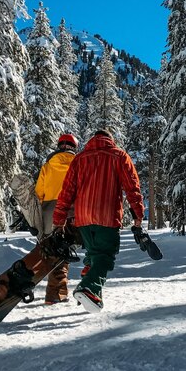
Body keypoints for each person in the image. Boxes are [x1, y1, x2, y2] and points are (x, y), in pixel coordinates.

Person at [53, 130, 144, 313]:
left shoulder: (80, 159)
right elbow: (132, 187)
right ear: (110, 140)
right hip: (107, 215)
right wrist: (138, 215)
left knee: (95, 254)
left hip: (83, 218)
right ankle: (88, 288)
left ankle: (92, 288)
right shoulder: (119, 156)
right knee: (105, 256)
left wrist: (59, 220)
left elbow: (67, 192)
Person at [35, 133, 78, 304]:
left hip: (48, 211)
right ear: (74, 147)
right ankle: (54, 295)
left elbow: (39, 193)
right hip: (69, 210)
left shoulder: (47, 165)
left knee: (51, 249)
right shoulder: (78, 164)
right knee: (62, 251)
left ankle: (59, 291)